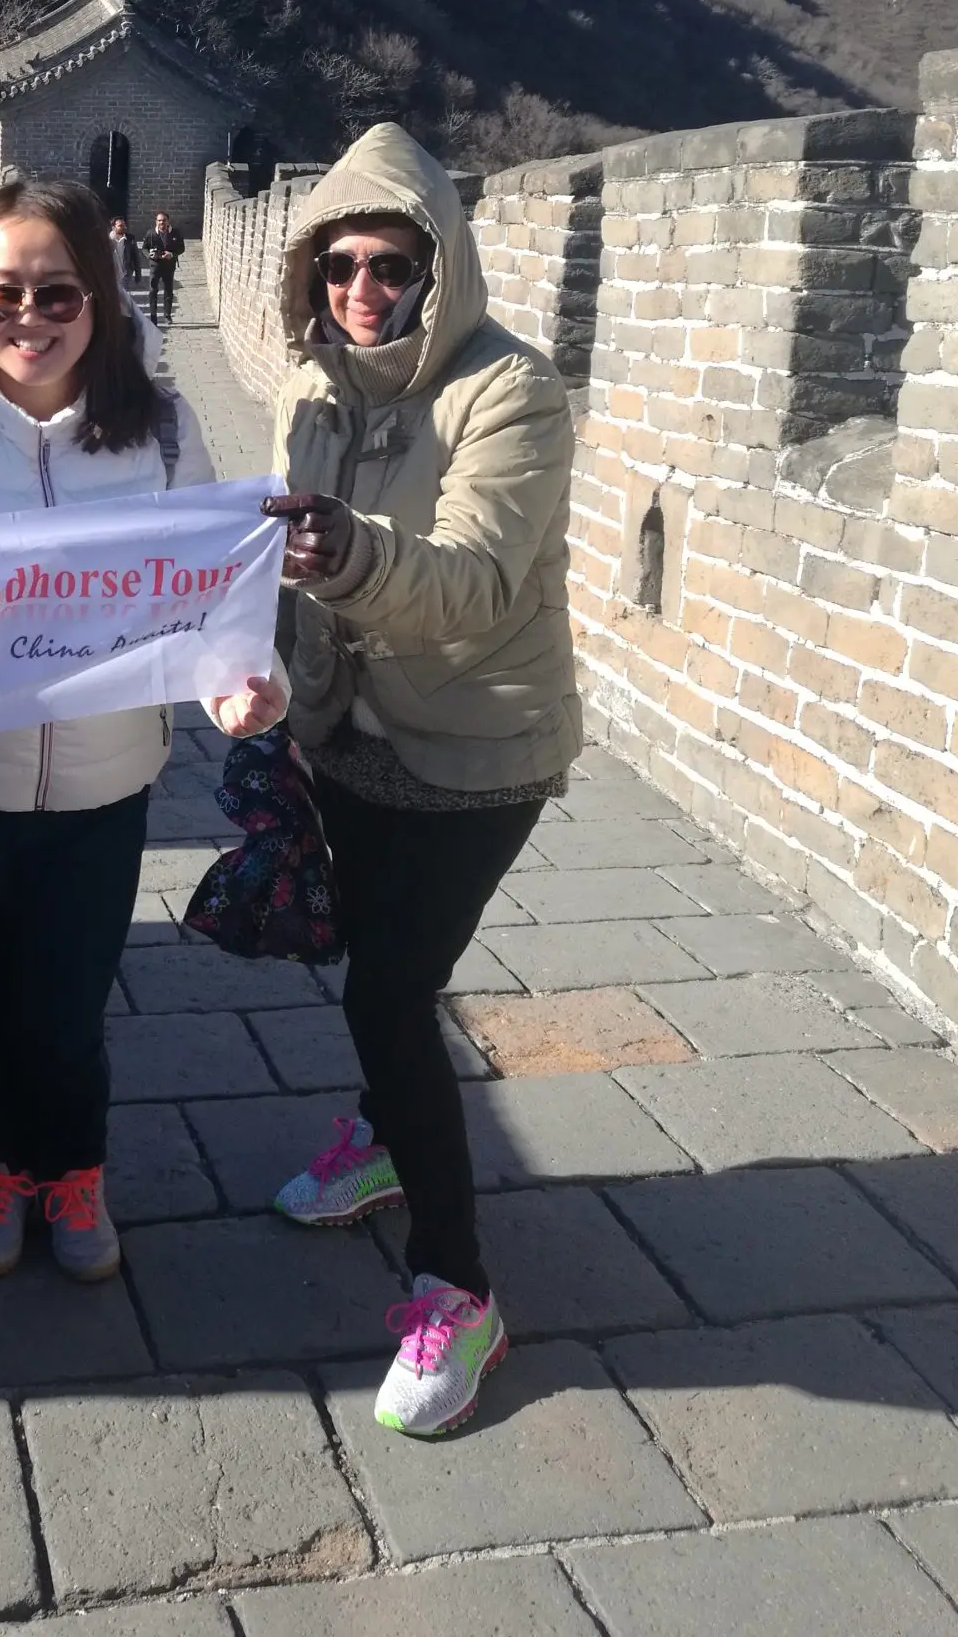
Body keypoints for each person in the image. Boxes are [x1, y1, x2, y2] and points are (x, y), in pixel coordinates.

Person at [0, 177, 280, 1283]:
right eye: (0, 294)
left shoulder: (162, 432)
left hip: (105, 785)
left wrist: (241, 684)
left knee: (67, 1009)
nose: (29, 317)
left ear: (100, 293)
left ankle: (73, 1168)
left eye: (57, 292)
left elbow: (208, 594)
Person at [259, 124, 579, 1438]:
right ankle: (386, 1139)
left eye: (392, 264)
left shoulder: (512, 391)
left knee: (392, 991)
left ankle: (459, 1288)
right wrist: (256, 678)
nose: (363, 289)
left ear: (439, 266)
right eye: (339, 265)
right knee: (382, 975)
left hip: (474, 751)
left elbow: (476, 581)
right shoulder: (311, 386)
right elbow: (276, 560)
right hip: (348, 736)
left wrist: (348, 553)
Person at [142, 210, 184, 325]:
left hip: (169, 265)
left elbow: (181, 248)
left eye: (164, 220)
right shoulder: (151, 233)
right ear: (156, 221)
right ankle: (153, 316)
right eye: (159, 220)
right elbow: (144, 248)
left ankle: (167, 315)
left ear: (168, 221)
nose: (162, 222)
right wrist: (149, 255)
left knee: (168, 290)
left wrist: (172, 254)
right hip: (155, 265)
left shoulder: (175, 233)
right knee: (153, 291)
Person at [108, 214, 141, 292]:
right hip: (111, 273)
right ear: (113, 227)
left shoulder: (130, 239)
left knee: (122, 291)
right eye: (120, 226)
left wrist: (138, 274)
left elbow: (136, 257)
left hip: (125, 272)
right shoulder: (107, 239)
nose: (124, 227)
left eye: (124, 225)